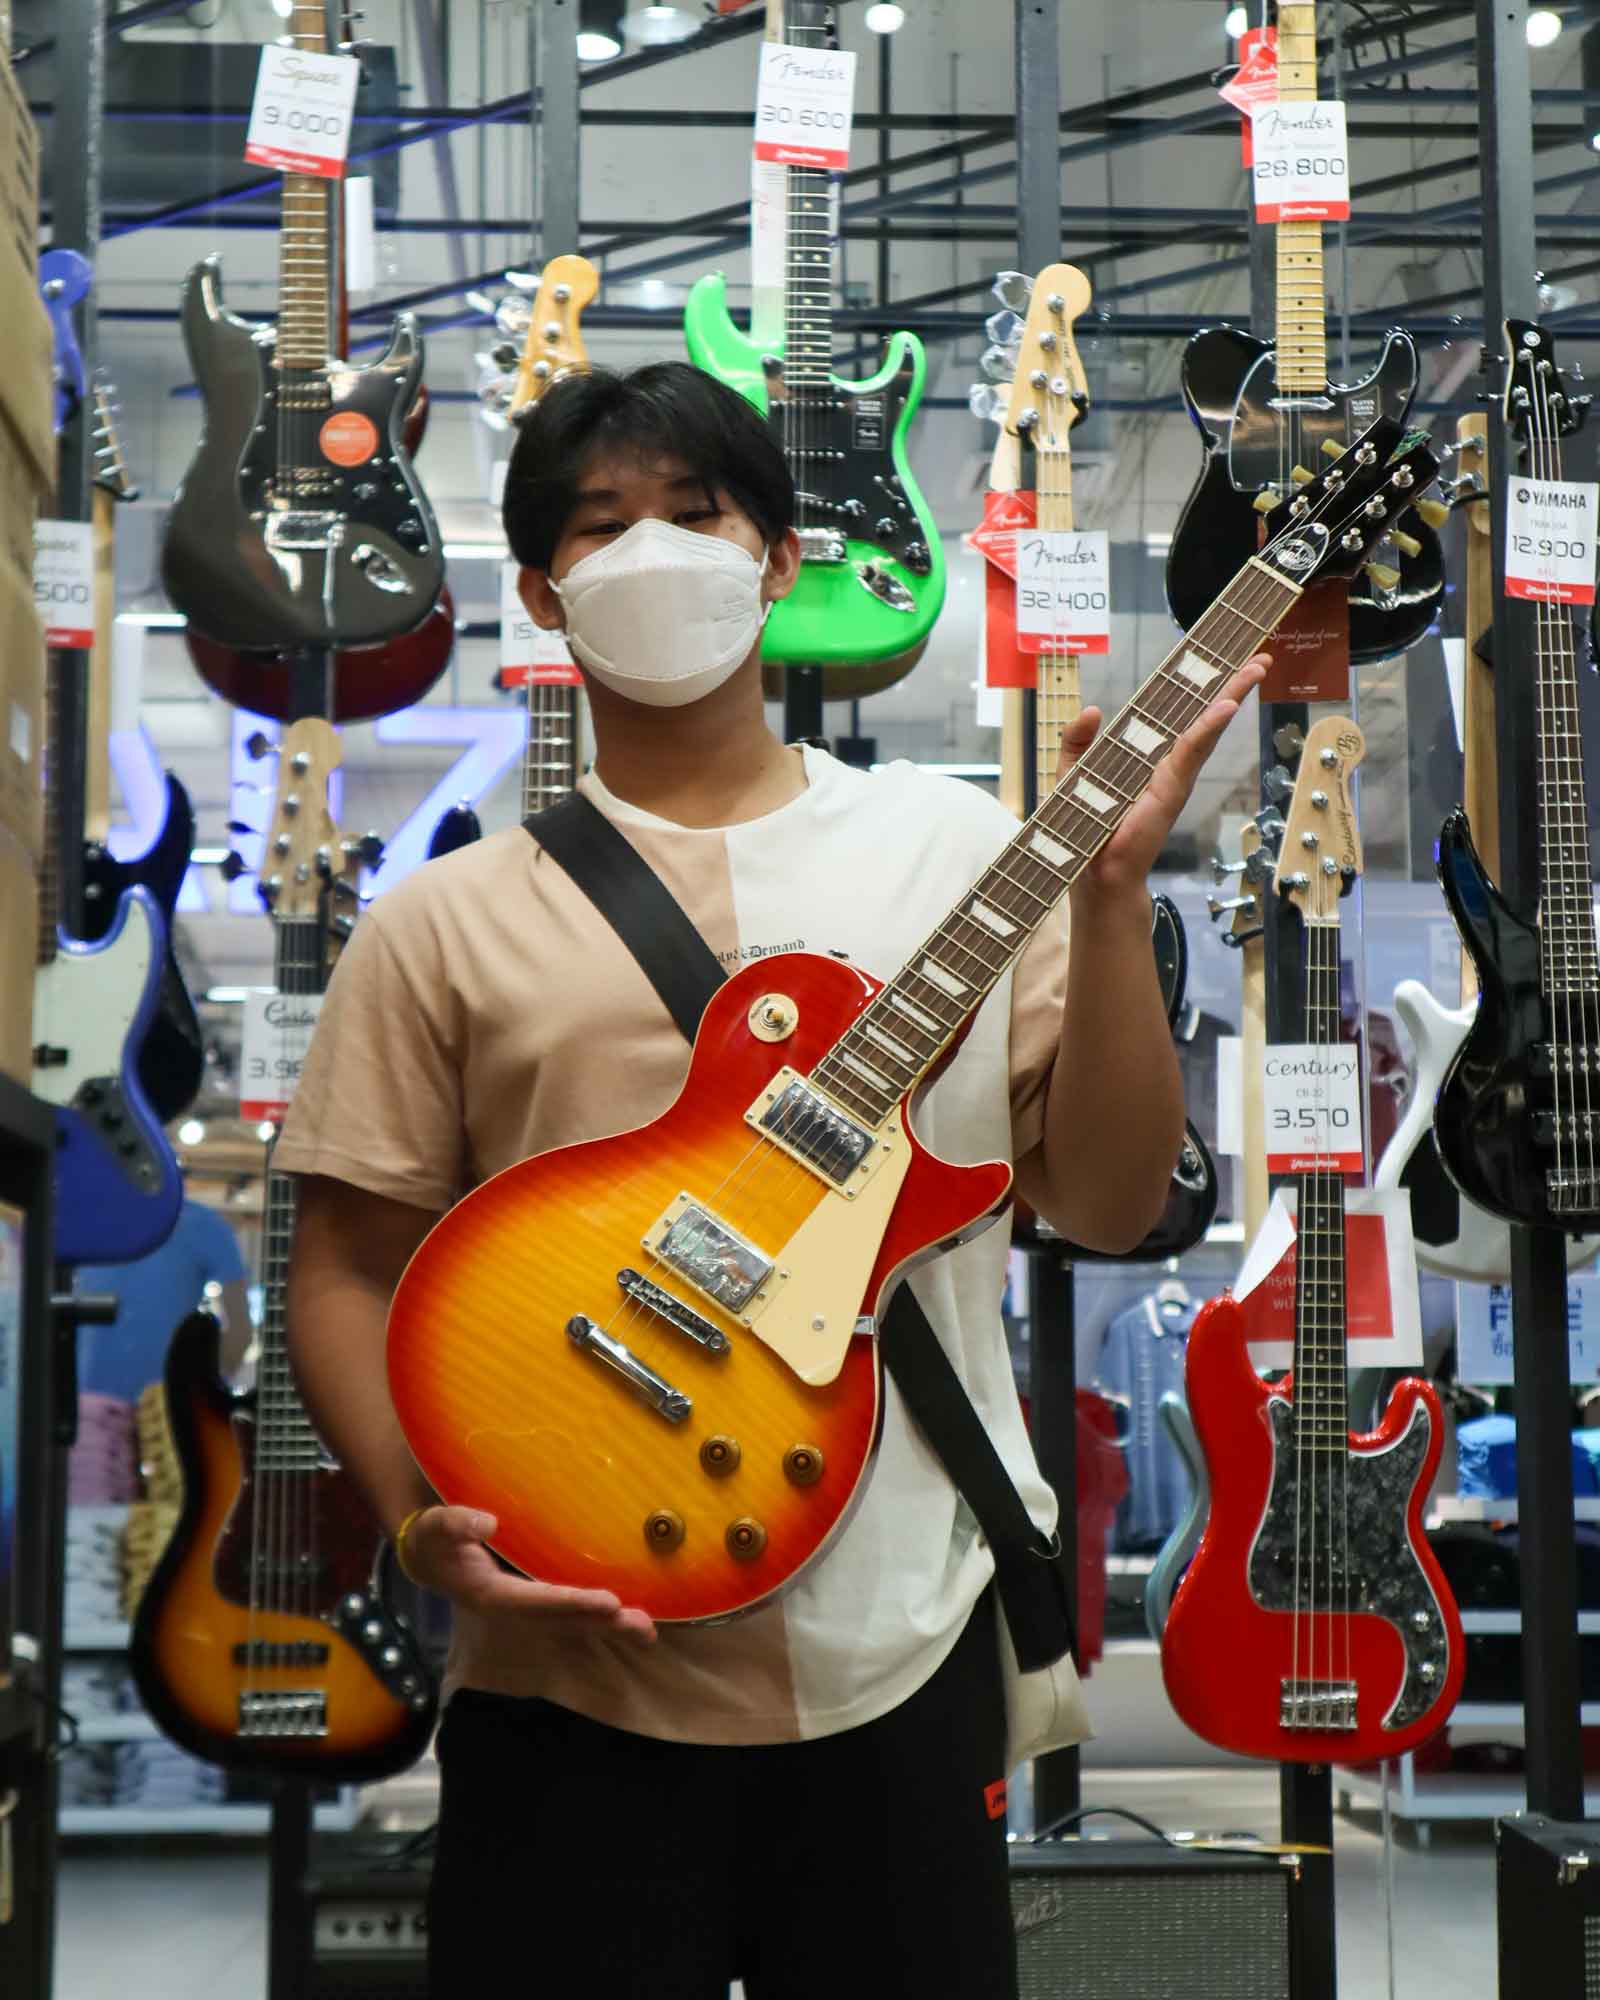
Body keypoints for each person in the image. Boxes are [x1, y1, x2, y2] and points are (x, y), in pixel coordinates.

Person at [278, 361, 1268, 1998]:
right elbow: (342, 1263)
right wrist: (410, 1517)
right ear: (543, 593)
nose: (654, 552)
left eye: (698, 512)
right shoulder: (443, 920)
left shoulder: (955, 853)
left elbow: (1102, 1206)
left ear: (783, 559)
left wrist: (1109, 909)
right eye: (603, 524)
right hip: (563, 1656)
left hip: (901, 1643)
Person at [76, 1189, 251, 1401]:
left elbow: (241, 1331)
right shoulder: (82, 1220)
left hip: (164, 1404)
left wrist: (202, 1399)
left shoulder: (204, 1224)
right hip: (90, 1405)